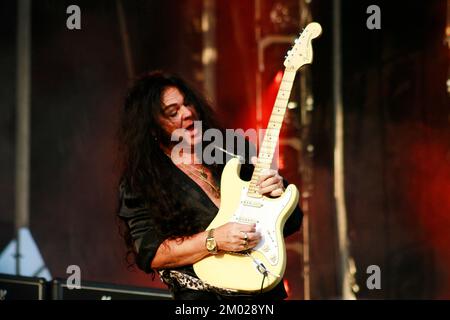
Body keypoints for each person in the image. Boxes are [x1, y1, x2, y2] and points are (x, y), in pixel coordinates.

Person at [117, 71, 303, 300]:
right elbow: (150, 253)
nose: (187, 113)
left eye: (188, 104)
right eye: (173, 112)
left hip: (264, 293)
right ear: (153, 129)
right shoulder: (142, 181)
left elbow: (293, 221)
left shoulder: (234, 150)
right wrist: (214, 239)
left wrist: (278, 193)